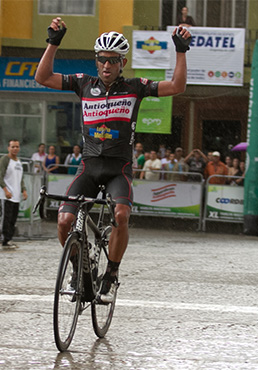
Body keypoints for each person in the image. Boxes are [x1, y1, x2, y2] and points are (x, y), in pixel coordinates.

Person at [35, 17, 191, 303]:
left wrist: (181, 51)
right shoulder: (83, 84)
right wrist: (53, 43)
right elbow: (42, 78)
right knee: (64, 220)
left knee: (121, 215)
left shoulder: (135, 86)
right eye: (102, 60)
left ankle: (111, 273)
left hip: (118, 169)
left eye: (113, 60)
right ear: (97, 61)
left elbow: (177, 86)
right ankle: (77, 270)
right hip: (89, 168)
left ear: (123, 62)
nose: (107, 66)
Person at [0, 140, 28, 250]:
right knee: (6, 218)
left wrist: (23, 190)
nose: (15, 149)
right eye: (13, 147)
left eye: (17, 147)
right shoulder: (5, 160)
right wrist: (6, 190)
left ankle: (10, 238)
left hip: (16, 196)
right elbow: (0, 177)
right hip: (7, 195)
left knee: (13, 219)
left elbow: (20, 178)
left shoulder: (19, 162)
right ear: (8, 148)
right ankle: (5, 239)